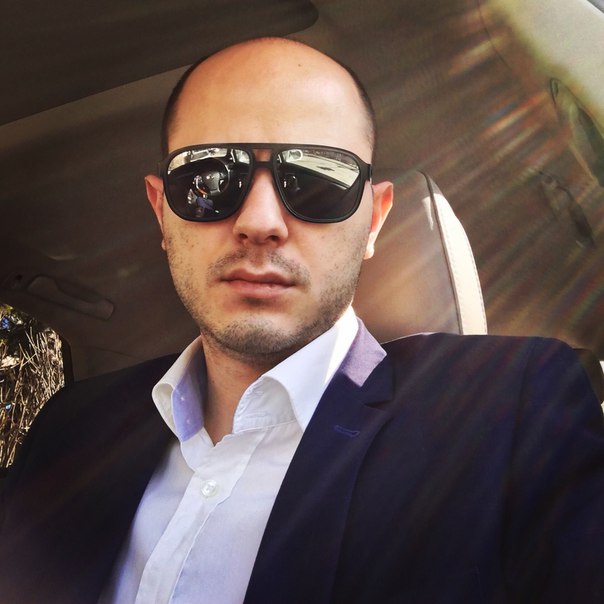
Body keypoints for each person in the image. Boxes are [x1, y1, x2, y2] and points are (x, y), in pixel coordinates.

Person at [1, 37, 603, 604]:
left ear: (374, 221)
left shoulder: (511, 413)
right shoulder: (69, 431)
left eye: (317, 180)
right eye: (209, 177)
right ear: (162, 212)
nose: (259, 222)